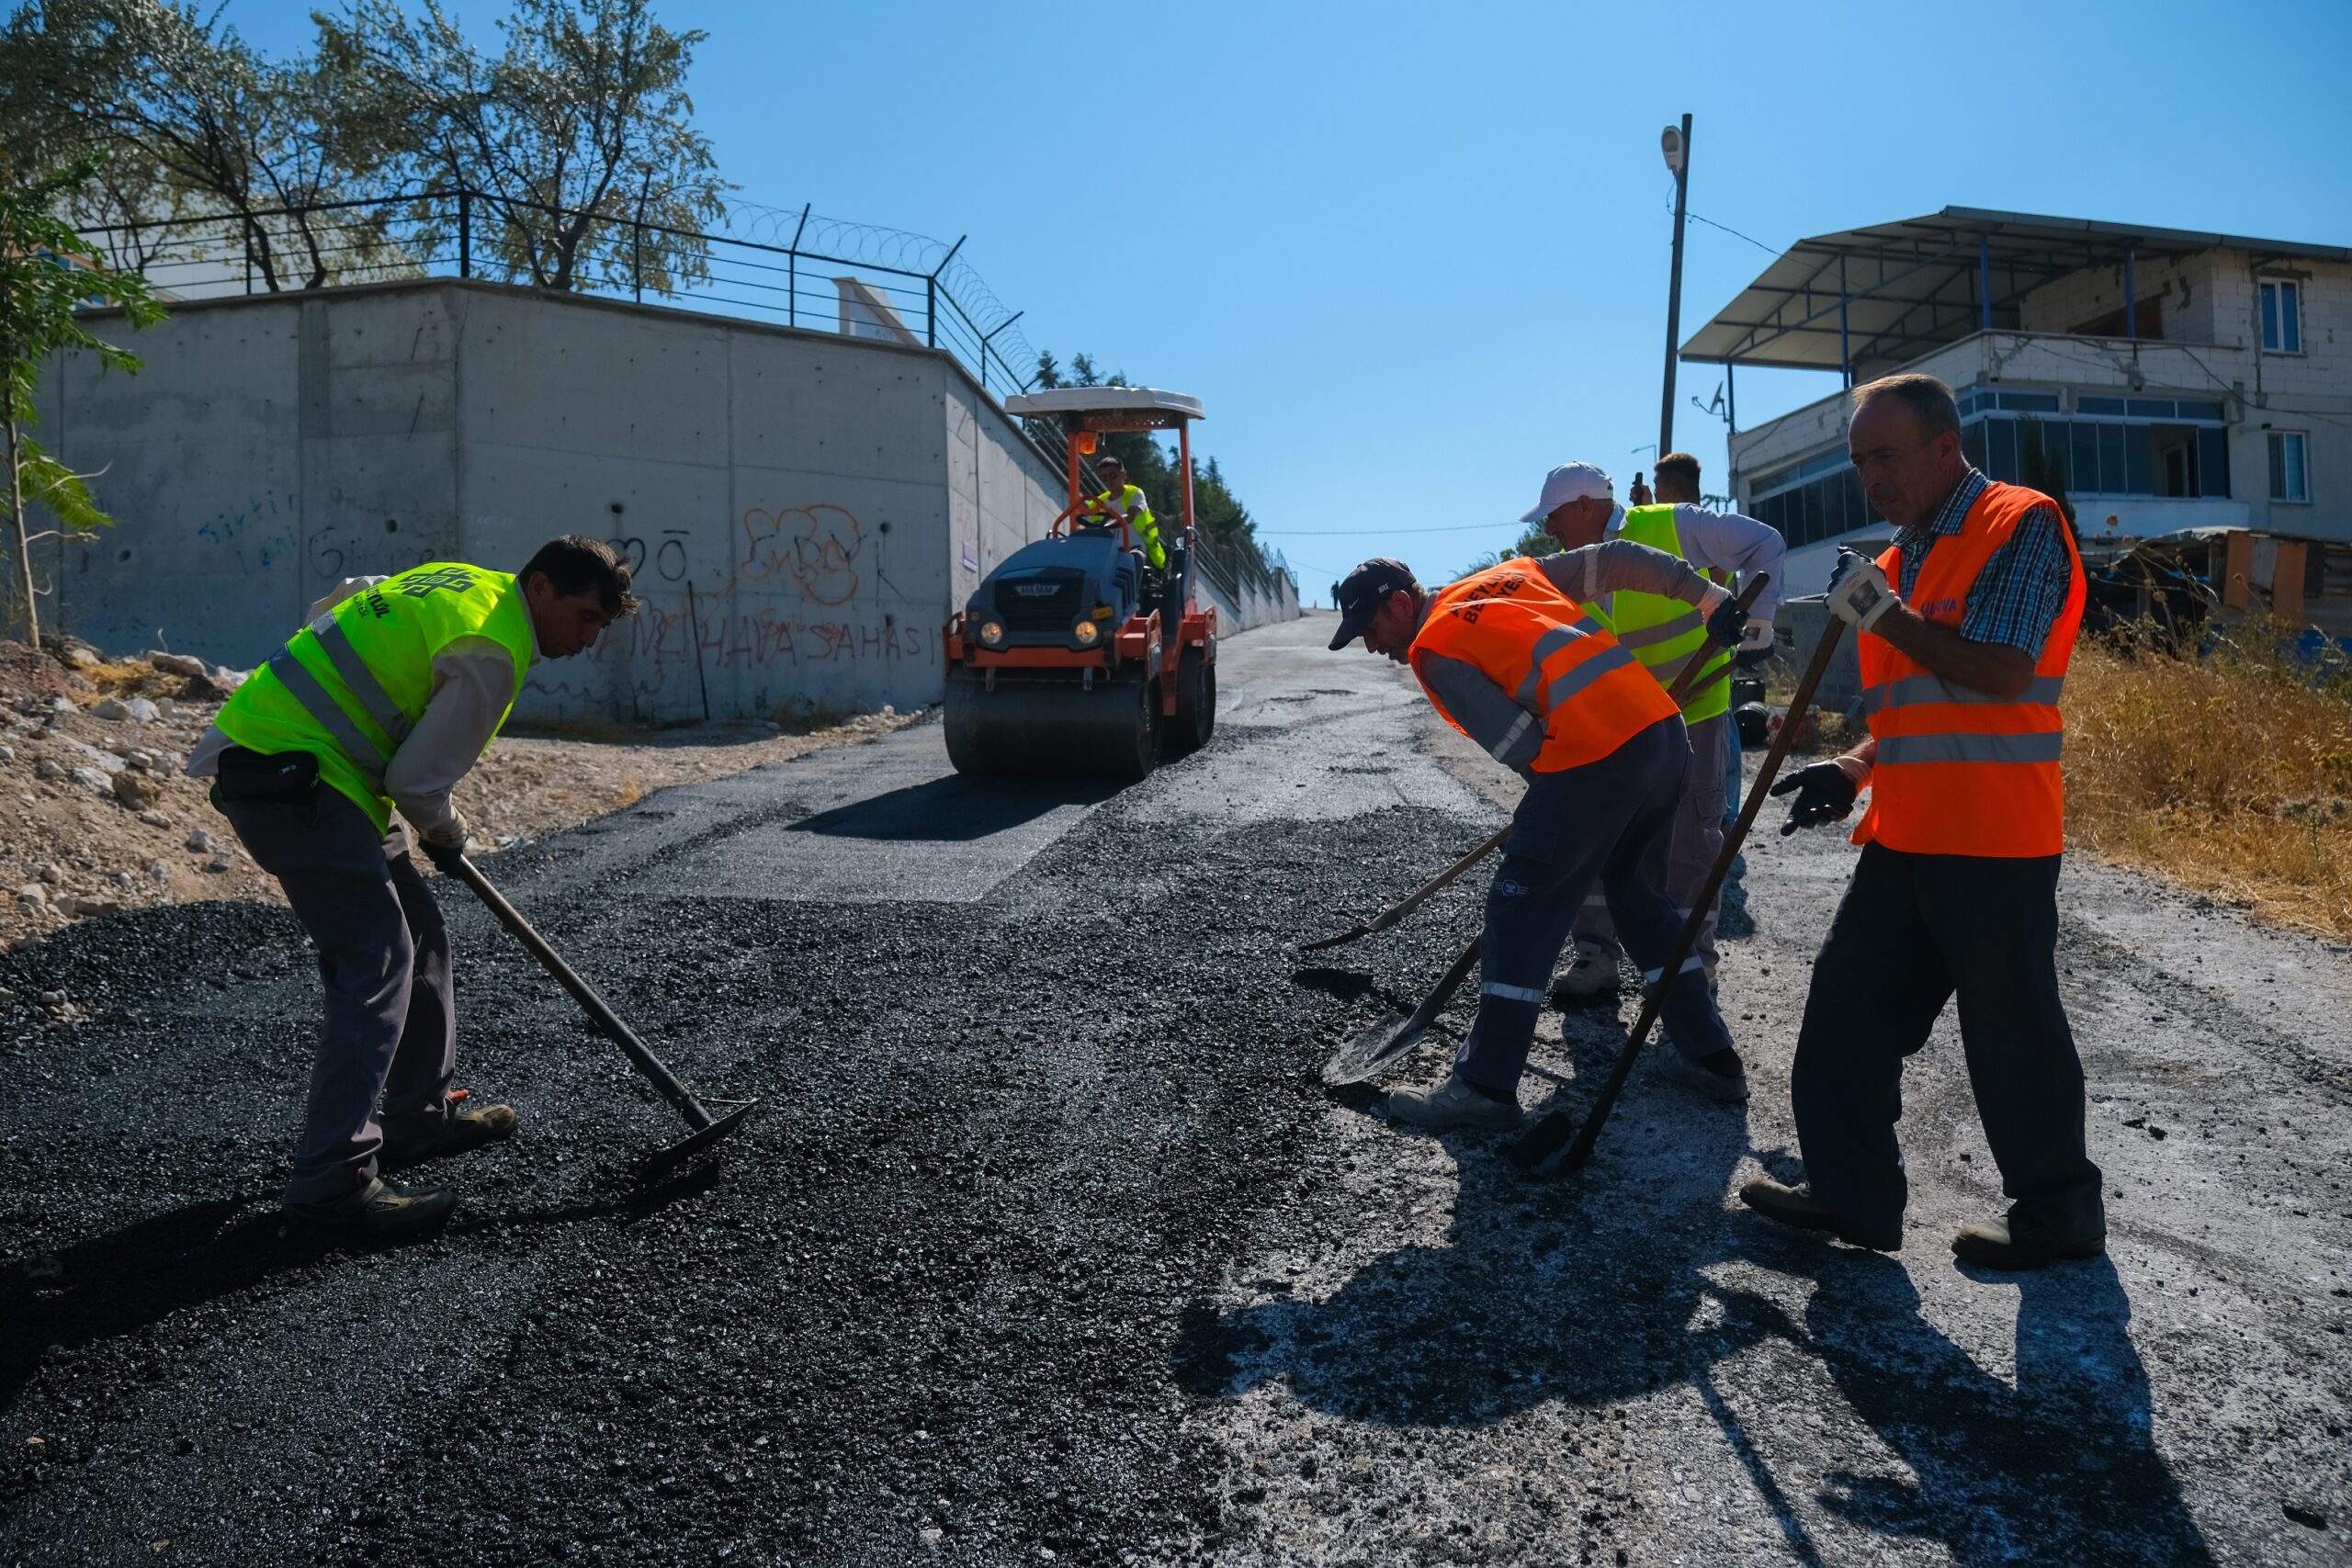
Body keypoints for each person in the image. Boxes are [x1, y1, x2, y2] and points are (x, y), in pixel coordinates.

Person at [1740, 372, 2104, 1271]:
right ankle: (1852, 1196)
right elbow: (1915, 710)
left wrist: (1883, 616)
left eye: (1885, 456)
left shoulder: (2017, 524)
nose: (1871, 477)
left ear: (1945, 448)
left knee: (2010, 1030)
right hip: (1905, 833)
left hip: (1994, 837)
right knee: (1845, 1016)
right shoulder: (1900, 563)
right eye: (1860, 461)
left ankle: (2058, 1213)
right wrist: (1854, 765)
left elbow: (2002, 672)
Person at [186, 537, 639, 1237]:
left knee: (420, 932)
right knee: (377, 958)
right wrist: (448, 835)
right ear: (541, 585)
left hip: (315, 766)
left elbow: (344, 595)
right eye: (583, 617)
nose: (586, 639)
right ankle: (333, 1179)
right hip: (294, 779)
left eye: (600, 628)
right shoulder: (495, 647)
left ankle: (416, 1117)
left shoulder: (462, 581)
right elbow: (418, 782)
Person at [1327, 544, 1749, 1125]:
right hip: (1663, 735)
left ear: (1402, 602)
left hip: (1595, 756)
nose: (1373, 645)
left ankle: (1485, 1086)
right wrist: (1710, 598)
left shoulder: (1435, 648)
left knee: (1520, 908)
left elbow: (1524, 748)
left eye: (1370, 627)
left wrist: (1555, 819)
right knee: (1639, 898)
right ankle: (1711, 1057)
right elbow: (1619, 558)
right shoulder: (1512, 575)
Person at [1532, 458, 1785, 1020]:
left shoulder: (1675, 526)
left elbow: (1765, 543)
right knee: (1595, 836)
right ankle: (1596, 958)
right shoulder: (1571, 571)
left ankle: (1690, 968)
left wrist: (1756, 625)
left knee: (1689, 842)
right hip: (1618, 723)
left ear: (1582, 507)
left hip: (1693, 711)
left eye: (1553, 517)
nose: (1549, 531)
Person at [1076, 456, 1166, 571]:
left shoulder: (1135, 493)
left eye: (1113, 475)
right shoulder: (1098, 502)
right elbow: (1088, 523)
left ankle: (1131, 589)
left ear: (1123, 475)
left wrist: (1105, 526)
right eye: (1104, 477)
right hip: (1107, 550)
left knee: (1135, 558)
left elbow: (1129, 517)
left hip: (1133, 546)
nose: (1108, 480)